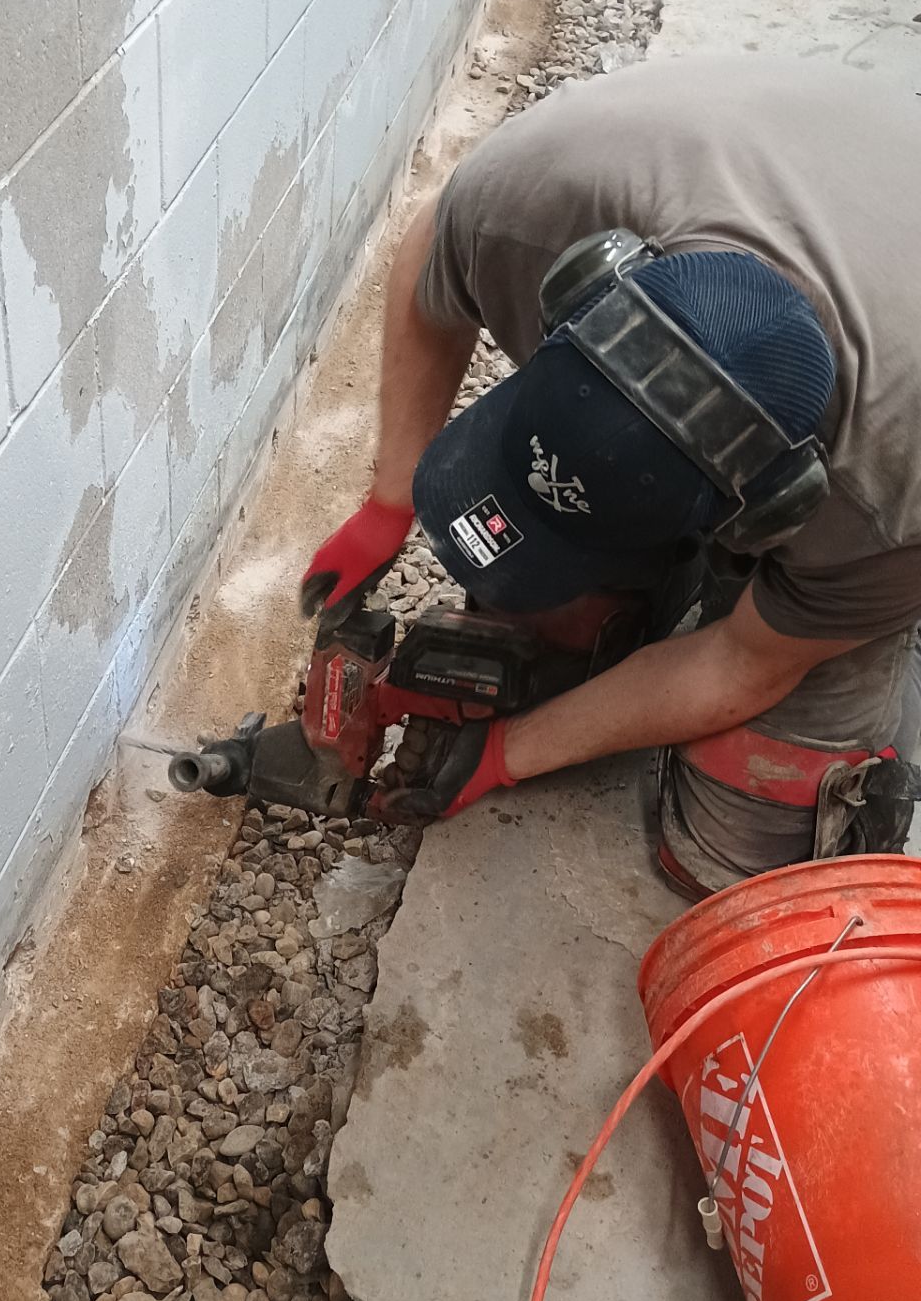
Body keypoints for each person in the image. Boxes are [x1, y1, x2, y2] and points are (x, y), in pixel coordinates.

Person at [301, 55, 921, 894]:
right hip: (813, 152)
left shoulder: (886, 504)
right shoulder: (546, 194)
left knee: (736, 861)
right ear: (588, 287)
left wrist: (508, 757)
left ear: (767, 506)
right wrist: (390, 495)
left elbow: (744, 664)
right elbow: (431, 253)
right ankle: (637, 570)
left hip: (887, 444)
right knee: (553, 624)